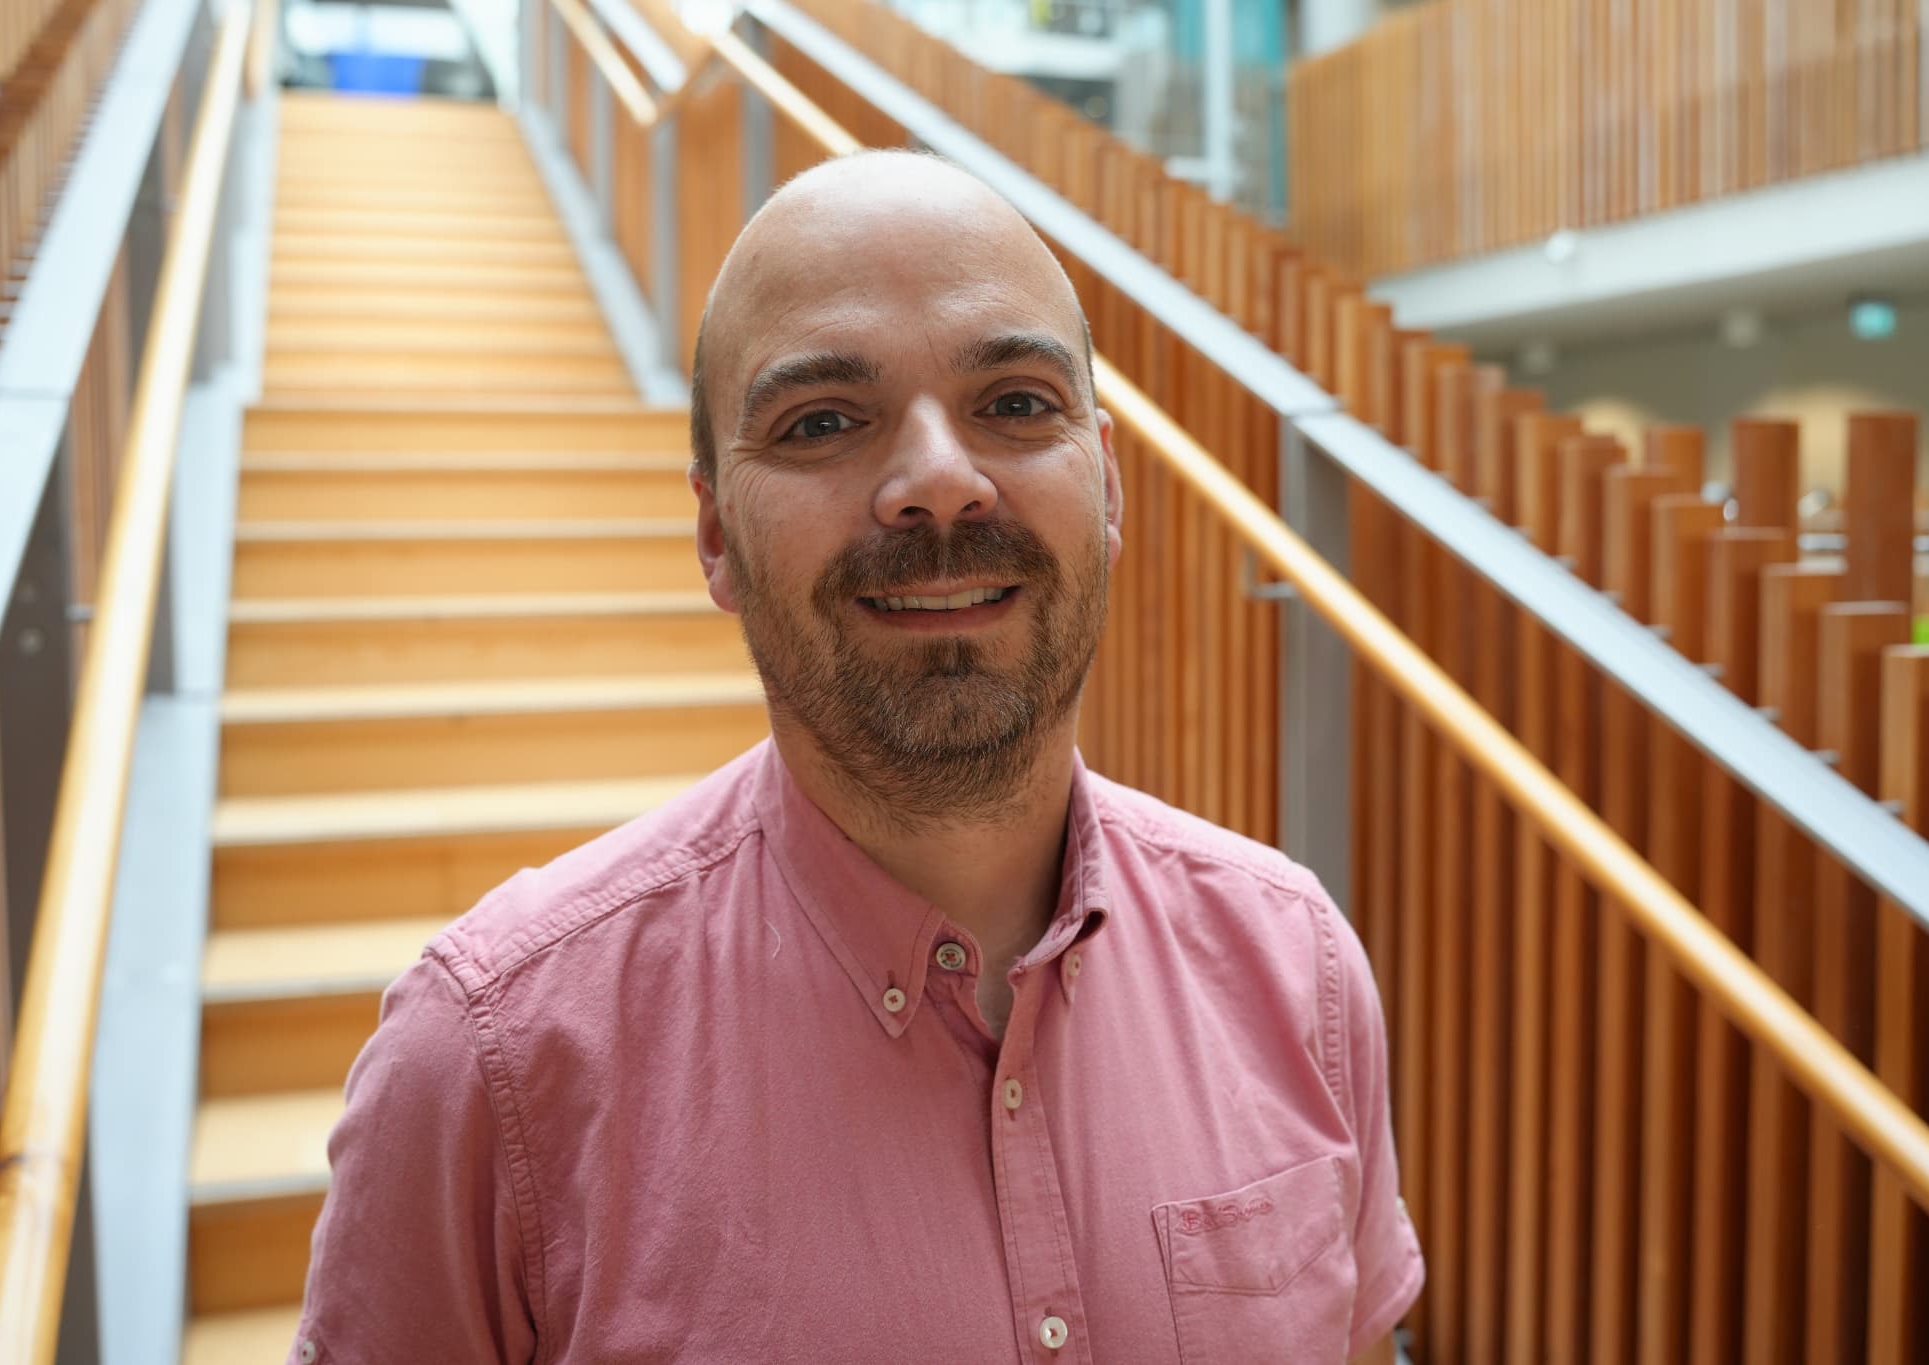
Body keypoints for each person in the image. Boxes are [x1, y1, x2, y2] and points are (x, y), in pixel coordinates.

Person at [290, 149, 1421, 1365]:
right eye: (823, 420)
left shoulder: (1292, 965)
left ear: (1107, 489)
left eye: (1014, 404)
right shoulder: (492, 1065)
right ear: (716, 536)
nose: (939, 481)